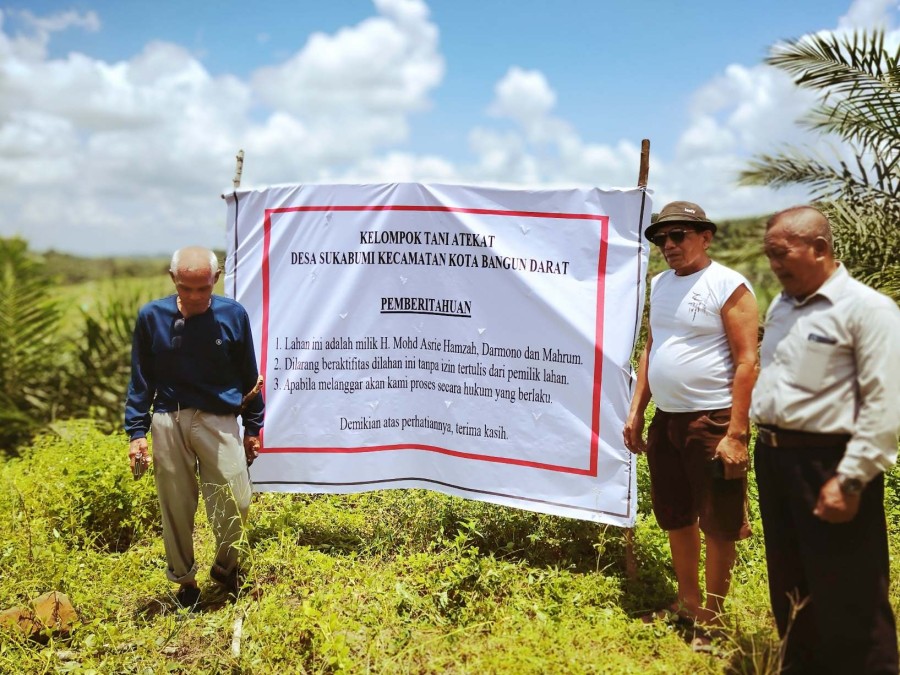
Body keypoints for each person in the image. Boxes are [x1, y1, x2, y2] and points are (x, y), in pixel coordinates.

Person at [751, 206, 900, 674]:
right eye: (768, 254)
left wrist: (851, 478)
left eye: (781, 253)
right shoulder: (781, 306)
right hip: (776, 462)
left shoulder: (867, 309)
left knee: (851, 591)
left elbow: (885, 403)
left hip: (828, 463)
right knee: (792, 586)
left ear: (820, 248)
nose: (773, 264)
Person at [624, 201, 758, 644]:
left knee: (718, 523)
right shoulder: (660, 284)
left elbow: (747, 361)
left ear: (706, 236)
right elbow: (651, 347)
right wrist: (637, 409)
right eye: (662, 238)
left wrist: (737, 433)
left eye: (679, 236)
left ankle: (713, 621)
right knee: (677, 516)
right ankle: (686, 601)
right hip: (668, 422)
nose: (669, 245)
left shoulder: (728, 285)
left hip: (713, 420)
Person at [125, 246, 264, 609]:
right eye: (186, 288)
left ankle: (225, 567)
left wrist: (253, 427)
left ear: (215, 280)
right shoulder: (151, 317)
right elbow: (140, 381)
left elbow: (251, 376)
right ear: (173, 280)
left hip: (218, 418)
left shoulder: (233, 316)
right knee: (175, 505)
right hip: (168, 419)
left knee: (238, 499)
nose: (195, 297)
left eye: (203, 288)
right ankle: (185, 581)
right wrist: (137, 433)